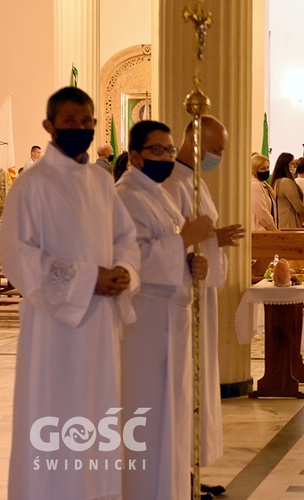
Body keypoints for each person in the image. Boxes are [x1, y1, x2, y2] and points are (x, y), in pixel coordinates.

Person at [0, 86, 140, 499]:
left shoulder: (100, 181)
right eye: (71, 122)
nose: (81, 129)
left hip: (100, 324)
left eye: (87, 122)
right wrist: (86, 279)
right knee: (54, 418)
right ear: (50, 126)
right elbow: (18, 259)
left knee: (98, 418)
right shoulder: (32, 186)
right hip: (53, 330)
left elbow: (125, 237)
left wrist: (124, 272)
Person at [116, 120, 213, 500]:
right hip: (145, 323)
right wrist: (180, 244)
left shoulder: (159, 194)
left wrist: (191, 263)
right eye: (158, 151)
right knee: (147, 415)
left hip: (170, 321)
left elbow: (174, 247)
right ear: (136, 156)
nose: (167, 158)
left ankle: (171, 489)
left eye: (171, 151)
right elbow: (130, 258)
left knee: (171, 416)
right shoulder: (126, 196)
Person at [162, 115, 245, 495]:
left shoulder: (194, 181)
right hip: (182, 300)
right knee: (184, 388)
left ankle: (191, 473)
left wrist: (216, 240)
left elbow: (199, 234)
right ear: (193, 141)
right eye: (216, 149)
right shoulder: (169, 182)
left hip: (201, 297)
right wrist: (211, 239)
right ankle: (181, 476)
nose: (219, 157)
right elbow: (172, 238)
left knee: (199, 387)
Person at [271, 152, 304, 228]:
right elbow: (299, 208)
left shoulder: (277, 181)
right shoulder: (286, 182)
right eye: (293, 164)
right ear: (285, 166)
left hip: (281, 224)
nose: (295, 166)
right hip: (289, 225)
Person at [250, 153, 277, 231]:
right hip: (259, 231)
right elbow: (262, 213)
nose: (266, 170)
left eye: (267, 167)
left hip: (266, 230)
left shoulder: (264, 184)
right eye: (262, 168)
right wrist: (274, 230)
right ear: (254, 170)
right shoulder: (255, 186)